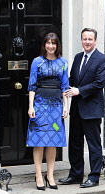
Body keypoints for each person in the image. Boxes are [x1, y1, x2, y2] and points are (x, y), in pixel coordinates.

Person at [58, 28, 105, 188]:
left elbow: (99, 83)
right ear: (81, 40)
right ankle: (76, 175)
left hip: (91, 109)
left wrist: (78, 91)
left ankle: (94, 177)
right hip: (76, 109)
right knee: (75, 143)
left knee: (94, 145)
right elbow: (73, 78)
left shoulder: (102, 59)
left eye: (90, 39)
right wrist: (59, 83)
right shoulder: (78, 57)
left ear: (95, 41)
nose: (87, 42)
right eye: (84, 39)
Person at [26, 32, 69, 190]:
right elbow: (32, 86)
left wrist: (66, 105)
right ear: (44, 44)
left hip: (56, 107)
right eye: (48, 43)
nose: (51, 46)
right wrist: (31, 106)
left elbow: (65, 86)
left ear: (57, 46)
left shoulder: (63, 62)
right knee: (39, 142)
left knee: (53, 142)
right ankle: (38, 174)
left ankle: (50, 175)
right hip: (40, 106)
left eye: (54, 43)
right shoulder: (37, 62)